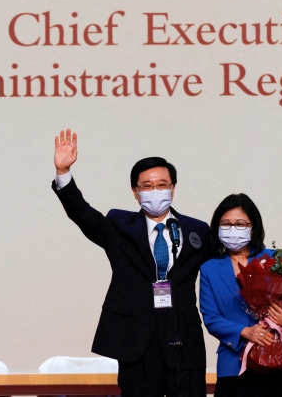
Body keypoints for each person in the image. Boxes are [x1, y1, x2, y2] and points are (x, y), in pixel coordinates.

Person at [51, 129, 213, 397]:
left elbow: (222, 271)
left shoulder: (197, 230)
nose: (155, 191)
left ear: (173, 188)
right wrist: (63, 172)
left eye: (162, 184)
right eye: (147, 186)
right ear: (135, 192)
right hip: (136, 342)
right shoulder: (120, 226)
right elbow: (83, 214)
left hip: (183, 340)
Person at [198, 194, 282, 397]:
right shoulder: (209, 268)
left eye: (240, 224)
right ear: (217, 228)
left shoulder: (276, 259)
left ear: (253, 228)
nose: (233, 229)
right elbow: (211, 317)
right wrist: (245, 332)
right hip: (235, 365)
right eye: (226, 224)